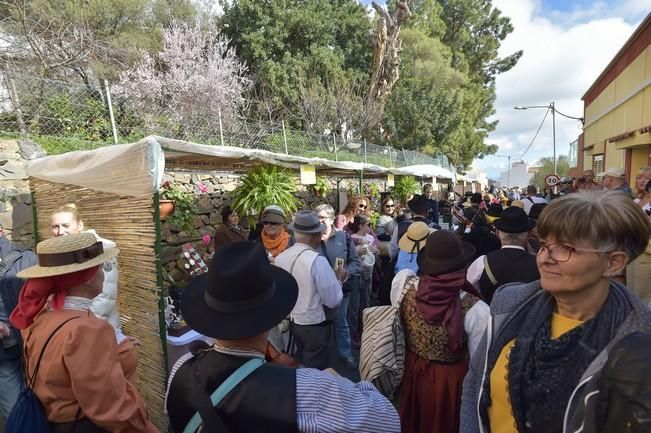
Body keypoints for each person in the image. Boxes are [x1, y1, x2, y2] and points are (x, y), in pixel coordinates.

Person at [460, 190, 651, 433]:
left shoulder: (638, 340)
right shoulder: (510, 304)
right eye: (543, 245)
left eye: (565, 248)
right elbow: (475, 386)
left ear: (614, 262)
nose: (545, 259)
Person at [165, 241, 401, 433]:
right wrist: (339, 381)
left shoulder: (180, 370)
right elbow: (387, 421)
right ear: (272, 316)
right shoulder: (307, 389)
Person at [10, 232, 158, 432]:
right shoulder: (86, 330)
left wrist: (116, 348)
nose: (104, 274)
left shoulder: (41, 317)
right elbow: (111, 408)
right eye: (101, 268)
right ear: (87, 278)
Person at [391, 230, 489, 433]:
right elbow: (480, 363)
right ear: (462, 265)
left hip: (411, 371)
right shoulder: (476, 309)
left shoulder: (403, 284)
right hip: (448, 384)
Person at [275, 211, 345, 369]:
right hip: (315, 326)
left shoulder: (281, 258)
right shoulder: (317, 261)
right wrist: (339, 280)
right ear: (314, 236)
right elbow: (333, 300)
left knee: (297, 367)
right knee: (316, 371)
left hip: (292, 322)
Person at [50, 204, 123, 342]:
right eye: (55, 226)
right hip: (76, 325)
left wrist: (82, 332)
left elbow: (104, 299)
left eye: (66, 225)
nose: (60, 232)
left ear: (80, 225)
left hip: (97, 330)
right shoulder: (66, 251)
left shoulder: (98, 251)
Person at [314, 204, 361, 370]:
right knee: (320, 324)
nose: (319, 221)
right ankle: (323, 357)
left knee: (341, 322)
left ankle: (345, 354)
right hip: (317, 291)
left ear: (332, 218)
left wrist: (346, 272)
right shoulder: (311, 238)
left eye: (322, 218)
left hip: (341, 289)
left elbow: (355, 262)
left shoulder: (344, 237)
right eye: (317, 218)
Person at [0, 225, 37, 424]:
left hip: (31, 348)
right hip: (4, 356)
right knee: (17, 414)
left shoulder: (26, 259)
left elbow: (42, 302)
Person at [466, 206, 540, 304]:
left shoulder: (483, 262)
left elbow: (467, 292)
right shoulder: (540, 264)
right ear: (529, 234)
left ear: (497, 233)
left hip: (491, 317)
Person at [388, 194, 440, 259]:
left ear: (412, 211)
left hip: (404, 265)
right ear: (427, 211)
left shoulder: (401, 226)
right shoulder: (435, 228)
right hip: (426, 266)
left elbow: (392, 251)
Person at [627, 178, 651, 303]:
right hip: (636, 249)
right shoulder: (641, 201)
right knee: (633, 290)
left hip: (645, 252)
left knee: (643, 296)